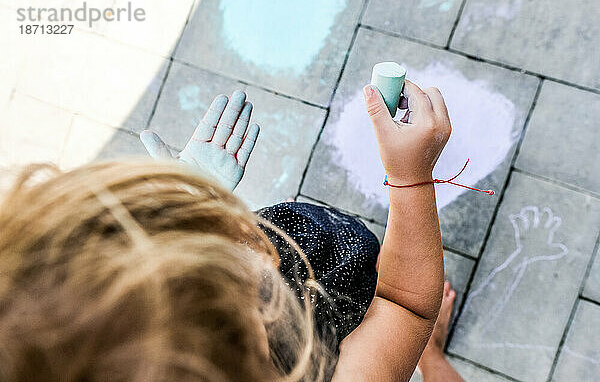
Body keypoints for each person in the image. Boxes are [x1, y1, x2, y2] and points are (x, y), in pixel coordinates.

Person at [0, 80, 464, 381]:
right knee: (410, 338)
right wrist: (411, 177)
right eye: (244, 277)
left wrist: (181, 207)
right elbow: (405, 305)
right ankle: (431, 358)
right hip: (353, 306)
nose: (261, 247)